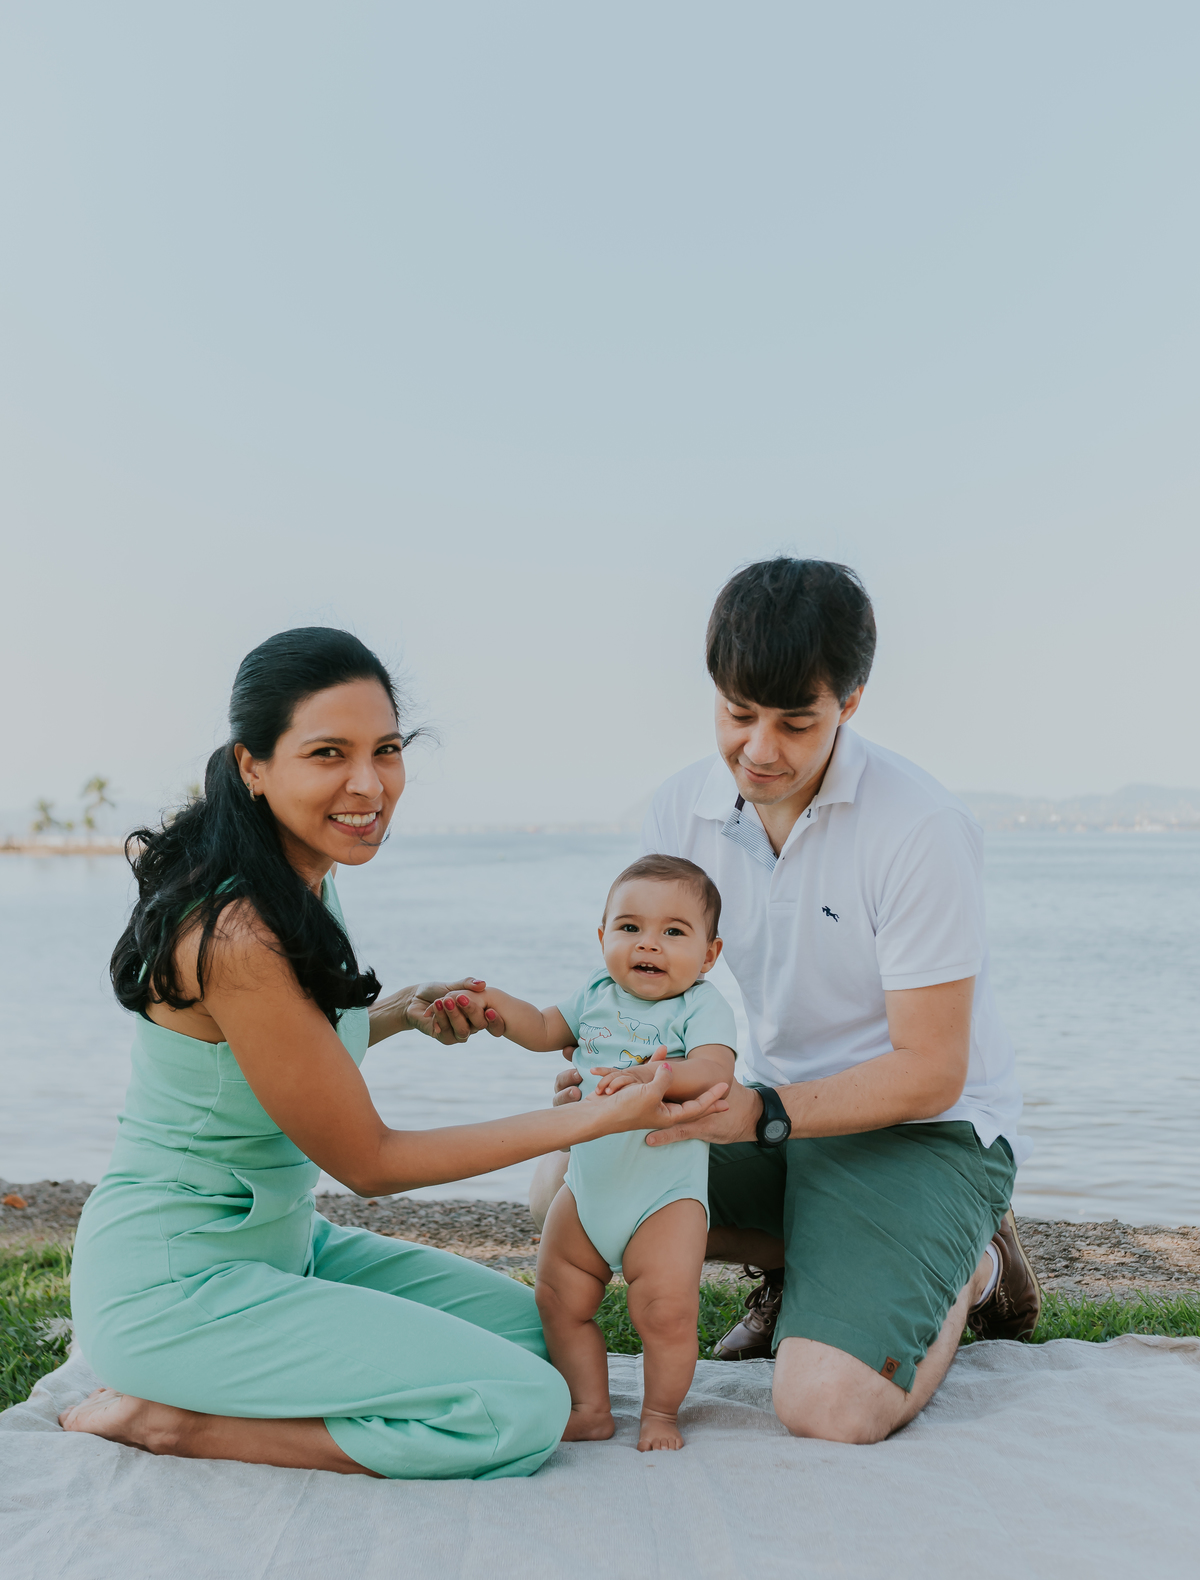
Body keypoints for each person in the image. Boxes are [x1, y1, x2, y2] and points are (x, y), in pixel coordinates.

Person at [59, 627, 727, 1480]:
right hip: (177, 1287)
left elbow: (275, 1053)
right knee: (523, 1406)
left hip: (285, 1248)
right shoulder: (235, 931)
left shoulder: (299, 876)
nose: (368, 785)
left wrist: (401, 1013)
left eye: (386, 751)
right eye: (328, 753)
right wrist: (604, 1114)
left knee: (547, 1333)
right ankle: (174, 1424)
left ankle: (259, 1377)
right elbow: (371, 1163)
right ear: (252, 766)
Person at [530, 558, 1041, 1446]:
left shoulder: (919, 828)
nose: (760, 751)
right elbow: (652, 994)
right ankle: (817, 1259)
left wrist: (758, 1114)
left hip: (926, 1132)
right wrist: (619, 1076)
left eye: (796, 722)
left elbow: (931, 1072)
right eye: (738, 715)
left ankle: (977, 1263)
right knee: (561, 1186)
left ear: (852, 702)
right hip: (779, 1114)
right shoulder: (681, 810)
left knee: (827, 1409)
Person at [436, 855, 737, 1451]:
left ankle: (660, 1415)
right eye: (629, 928)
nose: (648, 943)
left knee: (666, 1314)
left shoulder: (701, 1006)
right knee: (558, 1300)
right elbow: (544, 1027)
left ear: (708, 954)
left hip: (664, 1199)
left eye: (674, 932)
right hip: (587, 1191)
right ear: (603, 938)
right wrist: (492, 1004)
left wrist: (657, 1077)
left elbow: (714, 1070)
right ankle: (590, 1406)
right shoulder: (595, 995)